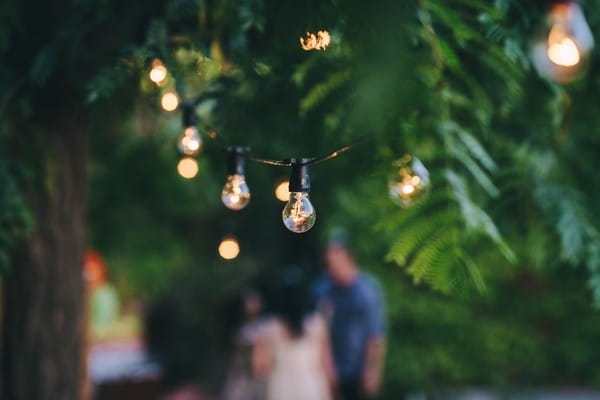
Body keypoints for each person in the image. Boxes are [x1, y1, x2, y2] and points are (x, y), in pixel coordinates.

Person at [313, 236, 387, 400]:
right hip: (331, 372)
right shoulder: (323, 291)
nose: (330, 270)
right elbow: (319, 334)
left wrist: (372, 372)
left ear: (349, 260)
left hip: (359, 371)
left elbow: (375, 336)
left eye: (334, 264)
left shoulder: (367, 291)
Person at [253, 268, 335, 400]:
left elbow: (260, 366)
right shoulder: (317, 325)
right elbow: (327, 364)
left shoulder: (268, 328)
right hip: (312, 387)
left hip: (280, 388)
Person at [223, 289, 268, 400]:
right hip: (243, 375)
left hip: (259, 375)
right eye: (250, 302)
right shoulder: (239, 328)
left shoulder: (265, 325)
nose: (253, 305)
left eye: (255, 301)